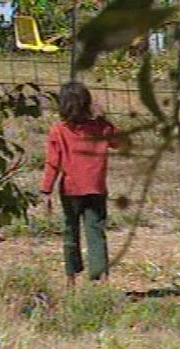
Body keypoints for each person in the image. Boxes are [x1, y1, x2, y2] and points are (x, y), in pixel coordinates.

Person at [40, 81, 121, 289]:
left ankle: (71, 277)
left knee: (70, 231)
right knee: (96, 232)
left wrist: (46, 190)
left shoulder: (58, 130)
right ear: (87, 103)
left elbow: (53, 163)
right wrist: (104, 117)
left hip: (70, 189)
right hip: (96, 189)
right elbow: (120, 142)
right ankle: (100, 278)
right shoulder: (102, 127)